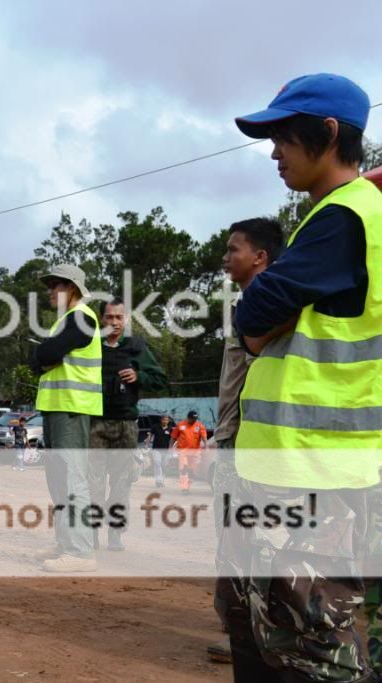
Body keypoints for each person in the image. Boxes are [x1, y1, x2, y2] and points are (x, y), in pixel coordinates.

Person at [222, 73, 381, 682]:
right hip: (329, 464)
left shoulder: (342, 216)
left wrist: (258, 320)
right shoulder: (359, 216)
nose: (274, 151)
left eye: (284, 136)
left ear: (330, 133)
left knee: (312, 648)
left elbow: (255, 317)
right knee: (295, 635)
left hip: (310, 470)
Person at [206, 217, 284, 665]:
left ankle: (252, 635)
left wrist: (230, 436)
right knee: (234, 537)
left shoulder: (271, 303)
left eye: (234, 248)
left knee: (247, 540)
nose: (226, 255)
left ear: (260, 257)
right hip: (234, 436)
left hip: (248, 439)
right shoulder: (247, 301)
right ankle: (240, 629)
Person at [29, 264, 103, 573]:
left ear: (71, 287)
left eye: (55, 285)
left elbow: (43, 356)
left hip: (73, 407)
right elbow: (39, 359)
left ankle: (81, 552)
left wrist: (42, 356)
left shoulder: (82, 318)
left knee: (73, 480)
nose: (49, 291)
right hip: (59, 408)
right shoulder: (67, 320)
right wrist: (42, 356)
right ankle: (66, 544)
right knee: (59, 480)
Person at [88, 297, 167, 552]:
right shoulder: (91, 346)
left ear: (127, 320)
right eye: (109, 317)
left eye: (119, 317)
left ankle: (115, 534)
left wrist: (138, 376)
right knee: (93, 482)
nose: (114, 322)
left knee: (122, 483)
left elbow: (160, 379)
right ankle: (91, 534)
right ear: (102, 319)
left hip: (126, 425)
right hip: (95, 425)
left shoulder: (136, 348)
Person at [169, 410, 206, 494]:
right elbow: (173, 437)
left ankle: (187, 487)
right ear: (188, 418)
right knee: (183, 469)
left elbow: (204, 437)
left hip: (195, 453)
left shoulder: (200, 426)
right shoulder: (180, 425)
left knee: (191, 471)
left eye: (195, 419)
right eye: (192, 419)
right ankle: (184, 488)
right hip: (183, 452)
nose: (194, 421)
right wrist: (170, 447)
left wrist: (206, 446)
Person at [144, 415, 173, 488]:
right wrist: (147, 444)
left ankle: (162, 481)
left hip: (166, 450)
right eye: (164, 420)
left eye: (166, 420)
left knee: (164, 465)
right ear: (161, 420)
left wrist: (171, 448)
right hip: (156, 449)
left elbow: (172, 440)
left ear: (168, 421)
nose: (165, 421)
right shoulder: (155, 427)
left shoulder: (170, 429)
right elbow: (150, 436)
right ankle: (158, 481)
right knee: (157, 463)